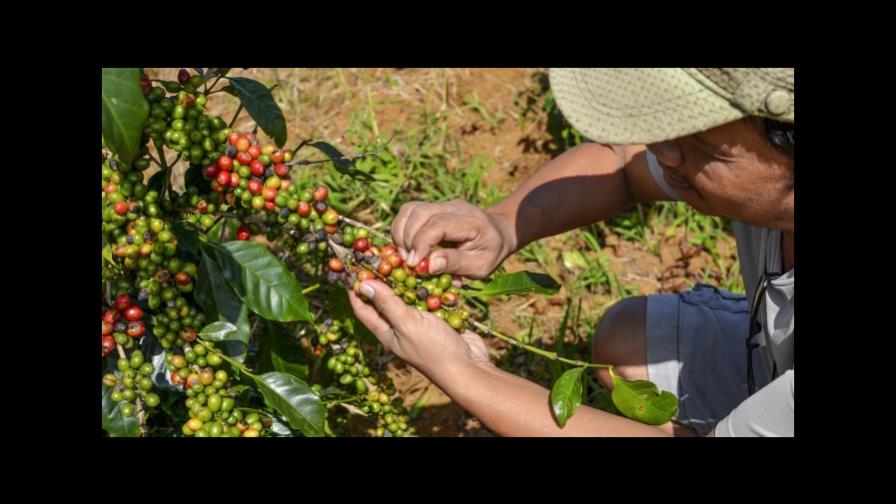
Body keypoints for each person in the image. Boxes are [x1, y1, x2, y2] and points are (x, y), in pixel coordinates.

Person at [348, 68, 794, 436]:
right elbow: (623, 165)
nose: (664, 151)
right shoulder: (750, 172)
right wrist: (502, 224)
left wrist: (467, 373)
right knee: (628, 342)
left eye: (701, 145)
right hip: (775, 363)